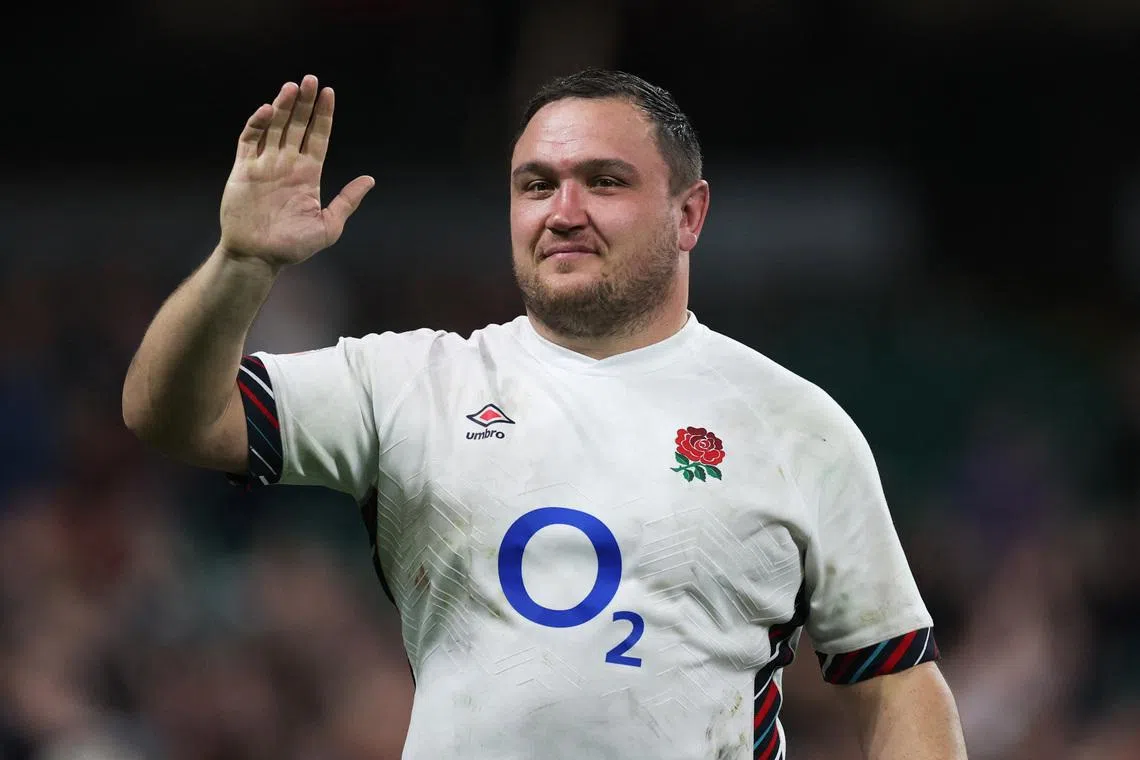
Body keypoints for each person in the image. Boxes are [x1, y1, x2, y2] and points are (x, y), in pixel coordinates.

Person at [122, 69, 968, 760]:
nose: (564, 211)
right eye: (537, 185)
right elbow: (172, 418)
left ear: (689, 214)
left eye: (604, 181)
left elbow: (894, 681)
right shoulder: (413, 382)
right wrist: (240, 262)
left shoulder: (795, 424)